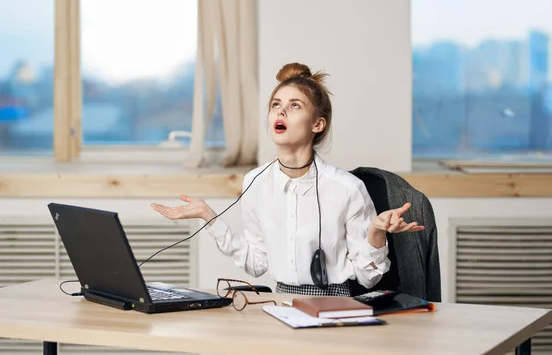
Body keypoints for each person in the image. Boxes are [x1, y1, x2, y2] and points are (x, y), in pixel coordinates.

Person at [152, 63, 424, 296]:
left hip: (337, 306)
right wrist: (209, 217)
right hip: (280, 305)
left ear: (318, 124)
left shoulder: (347, 188)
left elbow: (369, 279)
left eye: (295, 106)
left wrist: (376, 233)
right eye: (275, 105)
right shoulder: (255, 181)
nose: (280, 112)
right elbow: (256, 263)